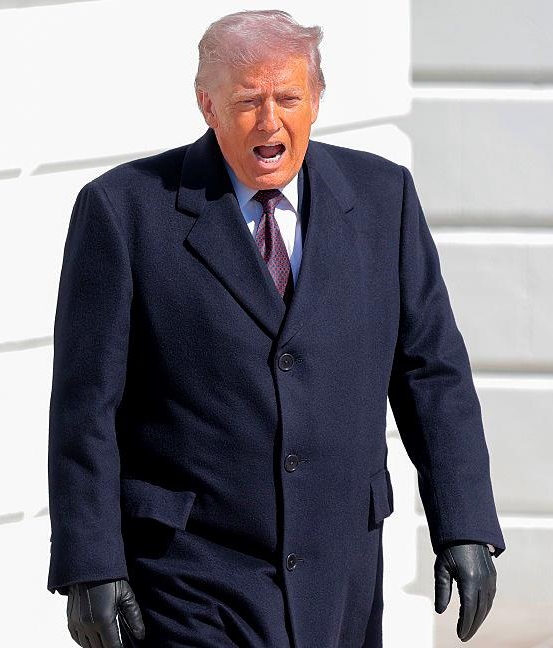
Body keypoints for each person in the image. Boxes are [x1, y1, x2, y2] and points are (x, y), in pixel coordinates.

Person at [47, 10, 503, 648]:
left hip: (339, 567)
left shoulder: (383, 197)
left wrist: (463, 522)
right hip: (188, 571)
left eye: (288, 98)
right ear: (207, 105)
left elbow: (432, 371)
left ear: (316, 98)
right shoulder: (124, 210)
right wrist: (91, 559)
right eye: (246, 101)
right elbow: (86, 404)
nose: (269, 121)